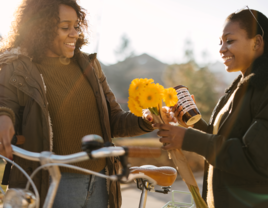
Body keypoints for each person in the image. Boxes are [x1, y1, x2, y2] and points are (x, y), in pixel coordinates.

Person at [0, 0, 159, 207]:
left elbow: (114, 120)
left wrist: (146, 119)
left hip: (102, 180)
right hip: (53, 182)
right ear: (40, 29)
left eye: (76, 26)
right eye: (65, 27)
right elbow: (5, 102)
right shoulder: (16, 68)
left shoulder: (89, 66)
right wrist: (3, 116)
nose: (74, 33)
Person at [154, 7, 268, 208]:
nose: (222, 48)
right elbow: (223, 140)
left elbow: (253, 158)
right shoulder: (239, 87)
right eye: (220, 42)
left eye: (230, 40)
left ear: (257, 42)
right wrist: (193, 124)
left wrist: (187, 138)